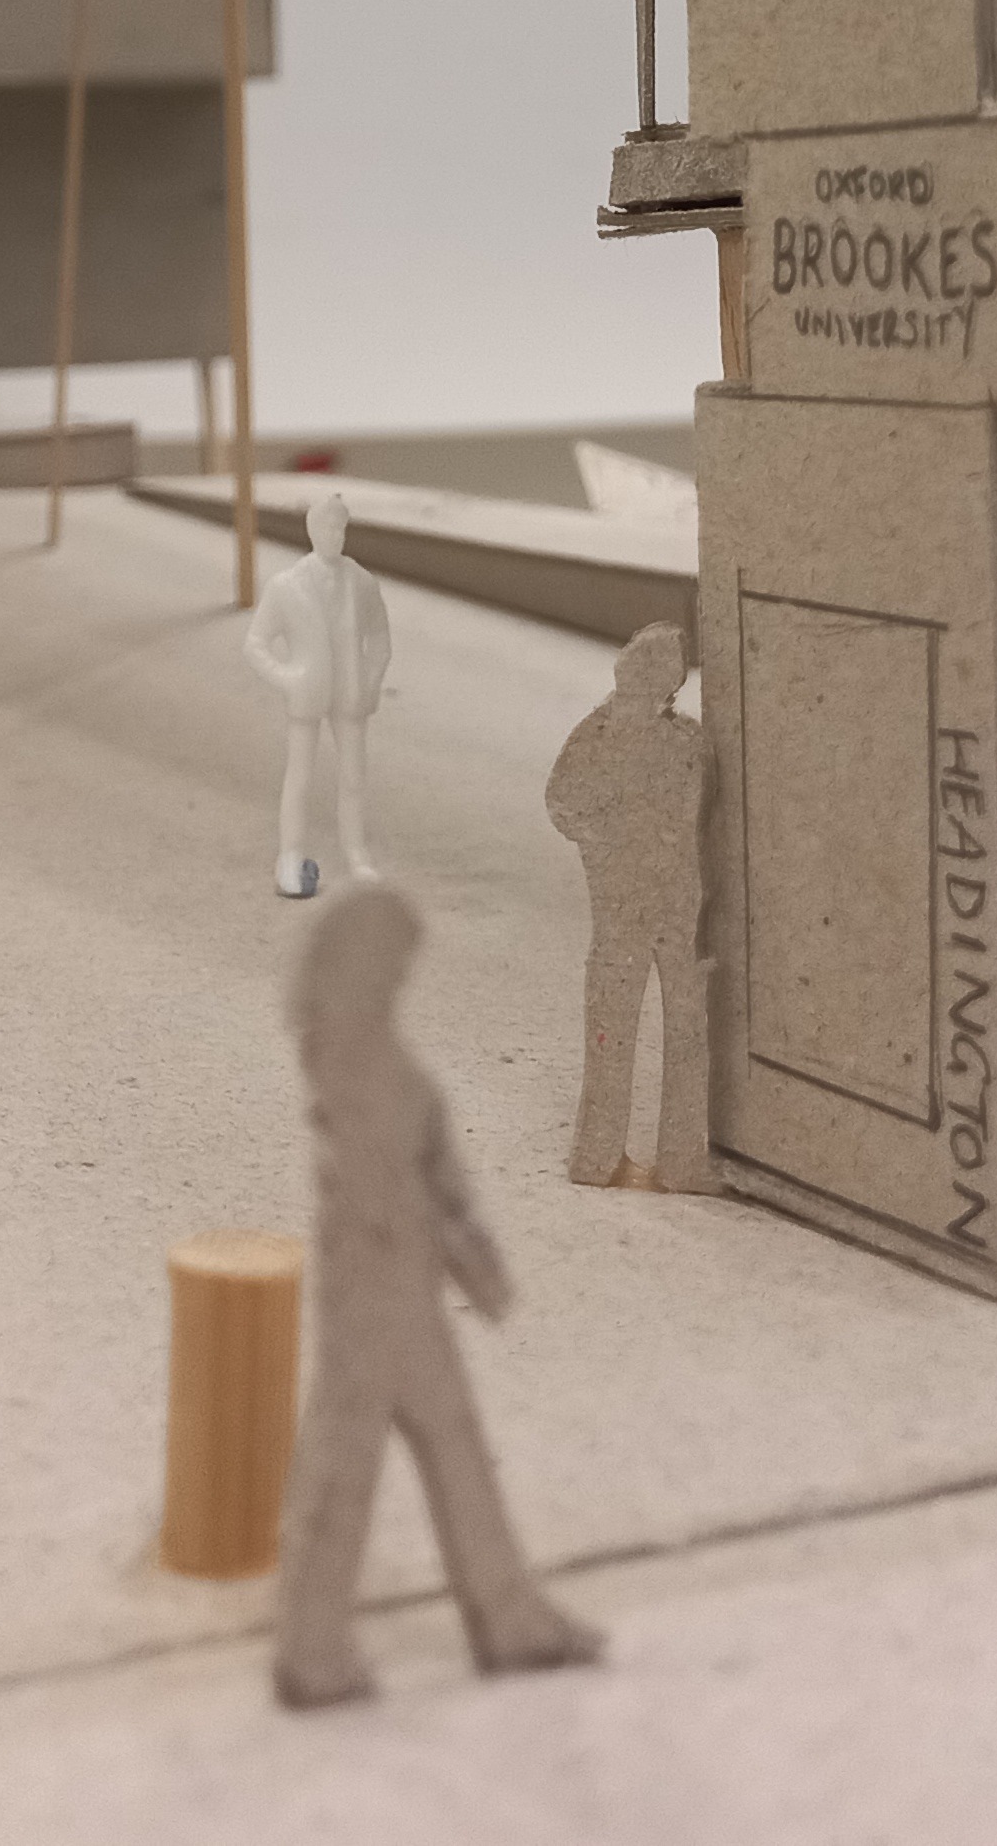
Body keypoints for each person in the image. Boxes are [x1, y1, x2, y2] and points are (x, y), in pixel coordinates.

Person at [273, 886, 603, 1708]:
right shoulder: (350, 1073)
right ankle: (315, 1646)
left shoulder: (400, 1075)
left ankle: (503, 1617)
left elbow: (441, 1188)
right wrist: (453, 1249)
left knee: (446, 1448)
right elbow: (391, 1191)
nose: (398, 977)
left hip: (407, 1296)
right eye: (389, 964)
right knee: (346, 1465)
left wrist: (475, 1263)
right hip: (369, 1299)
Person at [546, 622, 713, 1190]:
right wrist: (609, 853)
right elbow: (562, 803)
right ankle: (598, 1156)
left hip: (680, 908)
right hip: (622, 910)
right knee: (614, 1026)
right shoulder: (597, 734)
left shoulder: (687, 743)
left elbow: (707, 820)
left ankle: (682, 1158)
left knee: (686, 1028)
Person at [245, 485, 389, 897]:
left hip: (350, 693)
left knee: (354, 776)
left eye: (340, 528)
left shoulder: (361, 582)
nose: (334, 535)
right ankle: (289, 857)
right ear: (311, 530)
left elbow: (380, 638)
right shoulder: (285, 586)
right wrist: (286, 677)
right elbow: (255, 643)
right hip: (307, 694)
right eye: (327, 527)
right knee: (300, 778)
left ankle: (357, 855)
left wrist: (371, 682)